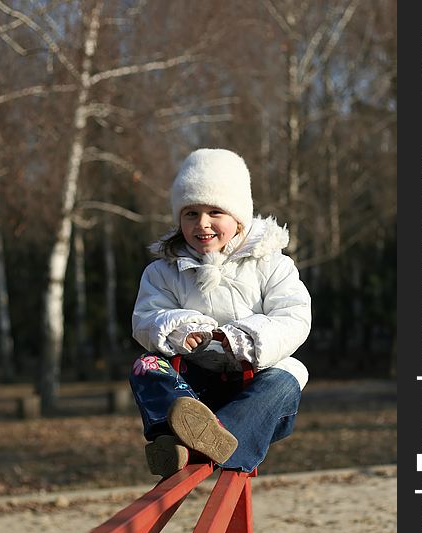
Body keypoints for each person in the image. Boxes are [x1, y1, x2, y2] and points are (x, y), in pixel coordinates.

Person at [129, 148, 311, 478]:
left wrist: (247, 337)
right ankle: (173, 434)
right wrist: (180, 329)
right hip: (195, 390)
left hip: (255, 389)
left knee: (289, 376)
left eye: (215, 212)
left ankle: (218, 438)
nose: (203, 224)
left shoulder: (272, 264)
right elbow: (145, 318)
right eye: (190, 214)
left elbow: (294, 315)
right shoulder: (163, 271)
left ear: (239, 216)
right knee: (147, 365)